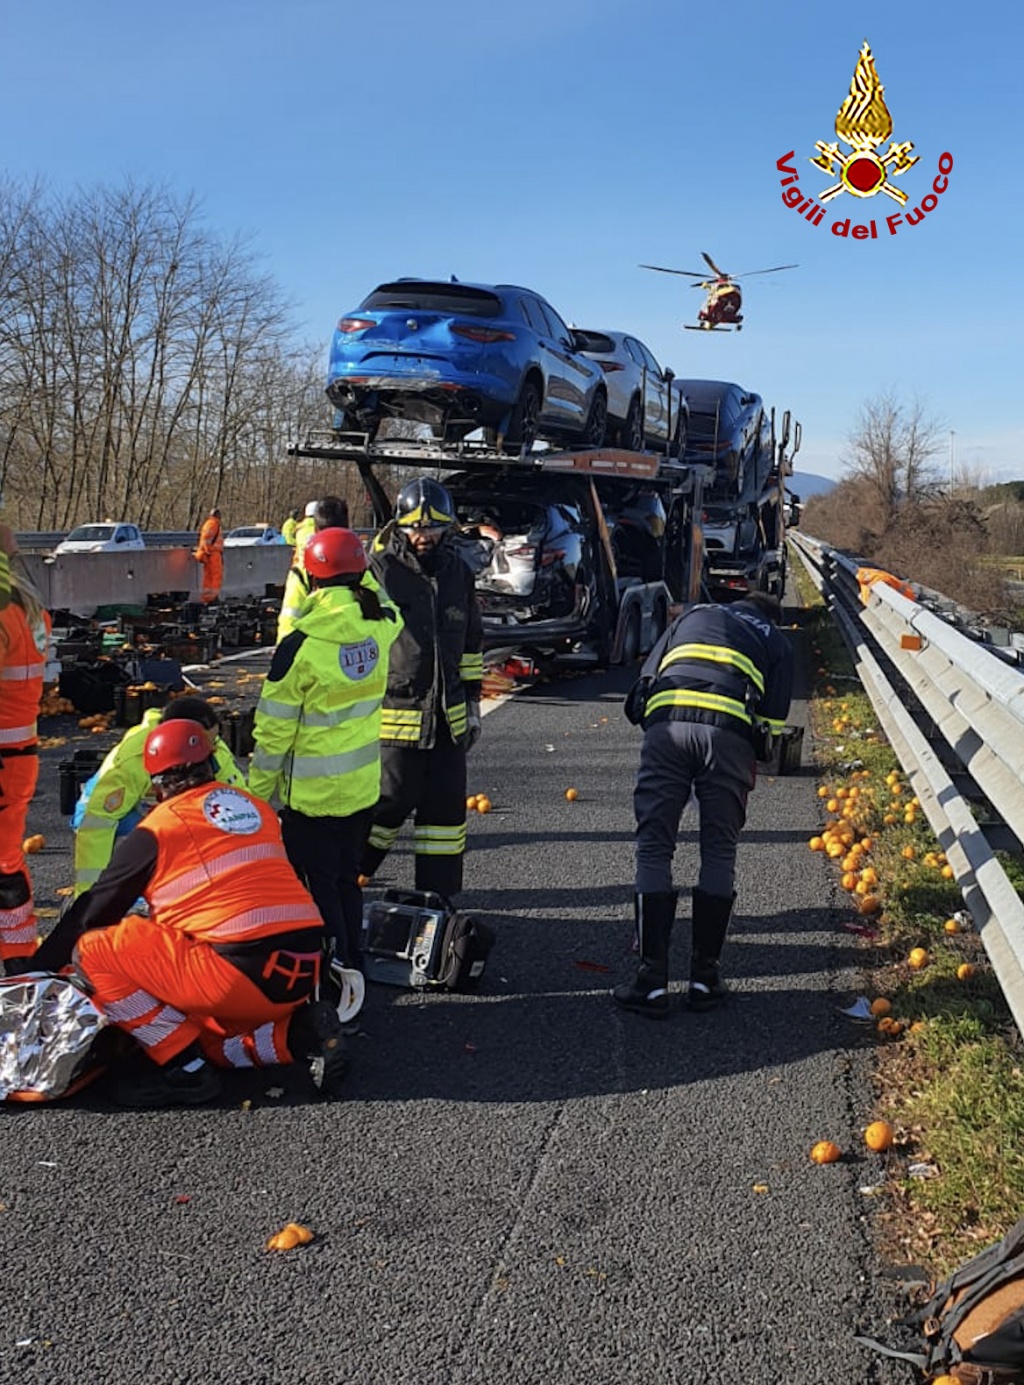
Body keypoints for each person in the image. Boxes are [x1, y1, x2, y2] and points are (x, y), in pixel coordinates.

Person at [31, 720, 350, 1108]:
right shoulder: (257, 810)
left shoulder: (161, 828)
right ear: (212, 764)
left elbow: (94, 910)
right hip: (302, 968)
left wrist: (36, 972)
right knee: (212, 1040)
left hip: (236, 975)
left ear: (158, 785)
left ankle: (185, 1070)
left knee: (97, 950)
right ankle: (298, 1036)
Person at [613, 591, 794, 1018]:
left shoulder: (692, 616)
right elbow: (771, 728)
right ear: (771, 615)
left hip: (668, 726)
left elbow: (644, 683)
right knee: (719, 849)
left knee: (655, 847)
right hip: (728, 737)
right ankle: (704, 978)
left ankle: (651, 981)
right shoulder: (776, 641)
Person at [250, 528, 403, 972]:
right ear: (361, 575)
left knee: (317, 890)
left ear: (309, 577)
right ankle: (353, 965)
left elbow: (273, 735)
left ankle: (335, 978)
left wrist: (258, 798)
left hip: (310, 799)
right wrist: (362, 572)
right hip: (360, 788)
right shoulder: (380, 627)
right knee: (345, 883)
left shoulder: (298, 647)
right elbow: (389, 606)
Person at [359, 476, 483, 902]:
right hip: (396, 720)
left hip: (448, 724)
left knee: (445, 821)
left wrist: (472, 703)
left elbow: (470, 644)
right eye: (415, 528)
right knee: (387, 805)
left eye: (432, 529)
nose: (423, 536)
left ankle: (438, 905)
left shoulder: (458, 574)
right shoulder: (380, 574)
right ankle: (347, 881)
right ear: (399, 526)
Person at [71, 695, 245, 897]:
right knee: (151, 843)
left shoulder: (211, 748)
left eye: (215, 739)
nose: (214, 748)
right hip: (110, 813)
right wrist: (89, 898)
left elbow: (238, 799)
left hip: (157, 808)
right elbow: (97, 823)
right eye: (209, 740)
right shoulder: (133, 759)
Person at [0, 564, 51, 973]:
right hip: (18, 754)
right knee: (7, 859)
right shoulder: (32, 615)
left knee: (5, 863)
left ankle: (19, 962)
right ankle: (19, 959)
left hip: (6, 756)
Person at [276, 495, 351, 641]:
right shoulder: (358, 564)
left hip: (314, 645)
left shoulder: (299, 529)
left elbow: (290, 616)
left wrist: (283, 651)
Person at [193, 507, 224, 604]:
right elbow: (206, 540)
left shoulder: (210, 524)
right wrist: (209, 552)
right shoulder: (213, 524)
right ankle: (213, 597)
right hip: (213, 554)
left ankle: (207, 597)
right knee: (215, 576)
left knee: (208, 577)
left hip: (210, 554)